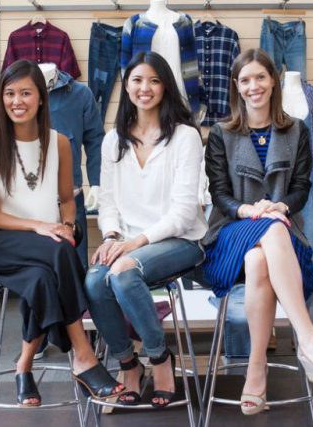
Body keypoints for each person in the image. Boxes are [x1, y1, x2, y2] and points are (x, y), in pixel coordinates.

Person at [202, 48, 313, 416]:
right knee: (262, 236)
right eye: (245, 80)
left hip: (283, 239)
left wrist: (281, 206)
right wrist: (250, 209)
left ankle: (256, 372)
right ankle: (308, 340)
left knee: (258, 260)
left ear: (273, 81)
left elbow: (302, 186)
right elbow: (219, 193)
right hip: (229, 234)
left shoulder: (296, 130)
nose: (254, 86)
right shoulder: (221, 134)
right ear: (237, 87)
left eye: (260, 78)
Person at [0, 59, 122, 407]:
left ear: (42, 98)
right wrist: (41, 226)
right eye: (9, 93)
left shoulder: (60, 143)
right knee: (60, 253)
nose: (17, 101)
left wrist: (67, 226)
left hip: (44, 248)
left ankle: (23, 366)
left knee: (42, 278)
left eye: (25, 92)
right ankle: (83, 355)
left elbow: (68, 200)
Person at [84, 51, 207, 409]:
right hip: (128, 242)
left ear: (166, 86)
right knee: (94, 280)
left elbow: (184, 213)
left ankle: (160, 359)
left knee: (122, 274)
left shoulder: (185, 137)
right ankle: (128, 364)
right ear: (127, 87)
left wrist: (134, 243)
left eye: (154, 80)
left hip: (181, 240)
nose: (145, 88)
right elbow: (107, 202)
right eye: (137, 80)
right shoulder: (113, 140)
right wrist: (110, 236)